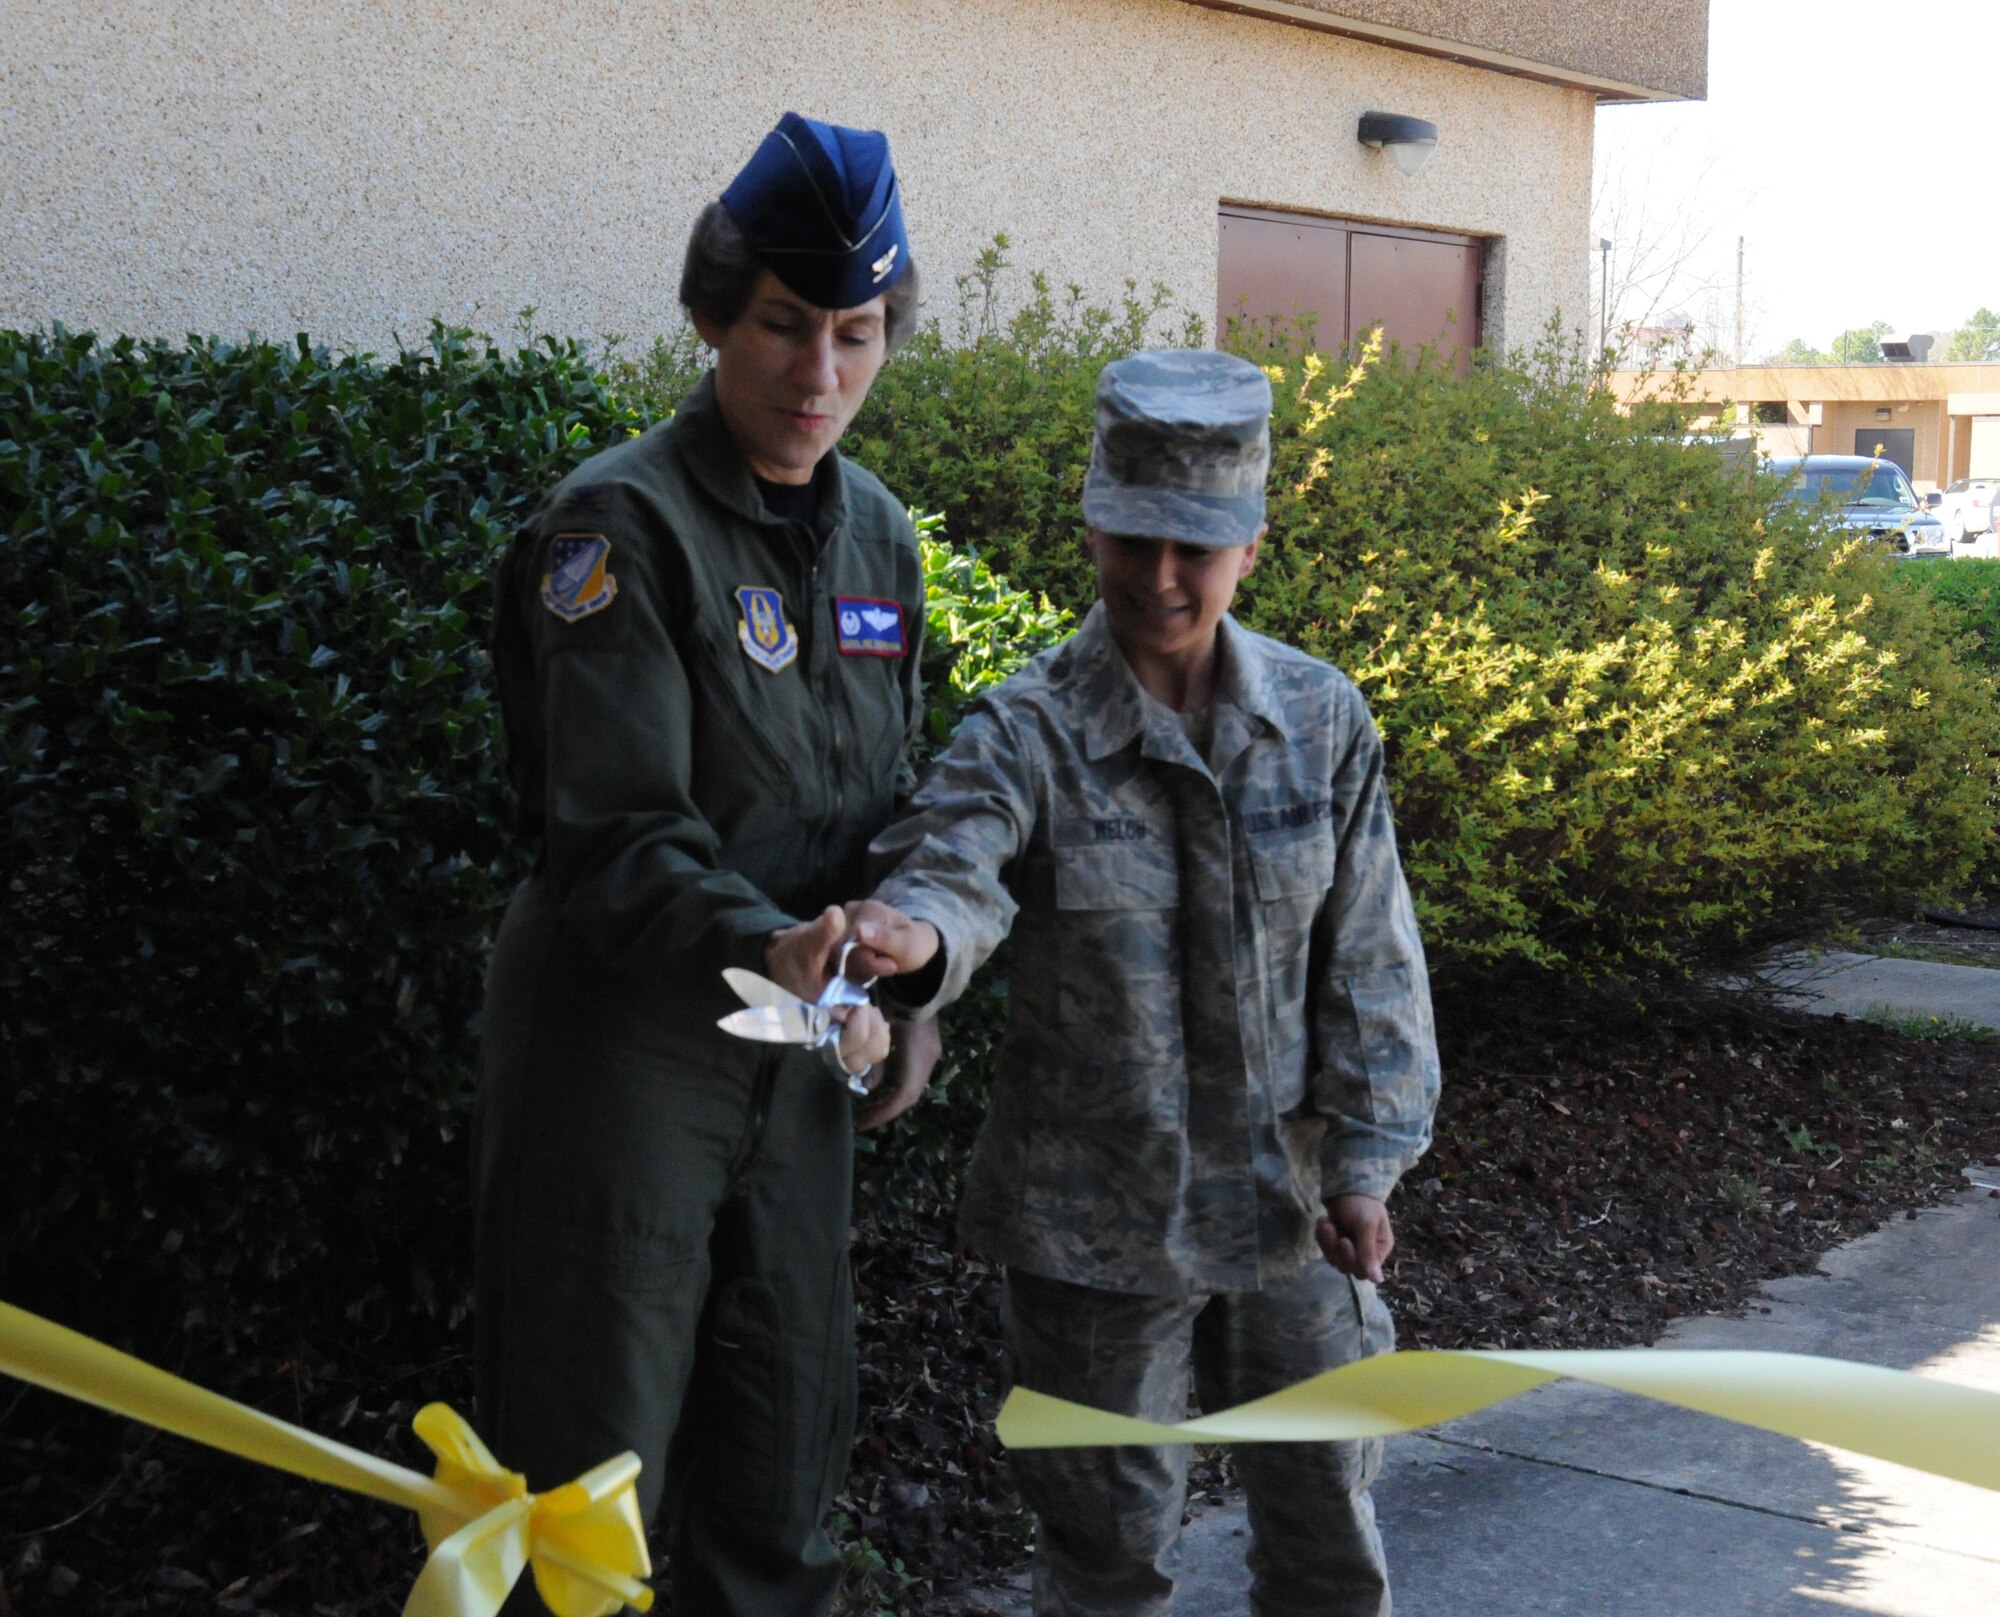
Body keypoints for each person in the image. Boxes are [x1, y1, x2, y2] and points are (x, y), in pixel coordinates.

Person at [847, 349, 1441, 1616]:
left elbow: (1370, 958)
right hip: (1092, 1239)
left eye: (1194, 546)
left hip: (1293, 1220)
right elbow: (953, 857)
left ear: (1250, 545)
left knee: (1328, 1534)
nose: (1159, 578)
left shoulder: (1321, 721)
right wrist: (909, 944)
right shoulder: (1029, 728)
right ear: (1092, 524)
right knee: (1106, 1562)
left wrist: (1364, 1166)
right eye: (1131, 539)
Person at [473, 112, 941, 1616]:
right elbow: (610, 832)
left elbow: (894, 809)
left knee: (785, 1453)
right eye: (783, 328)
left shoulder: (879, 534)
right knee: (582, 1493)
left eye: (856, 335)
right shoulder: (621, 526)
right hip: (630, 1048)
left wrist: (903, 988)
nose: (820, 379)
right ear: (709, 315)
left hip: (802, 1054)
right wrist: (775, 940)